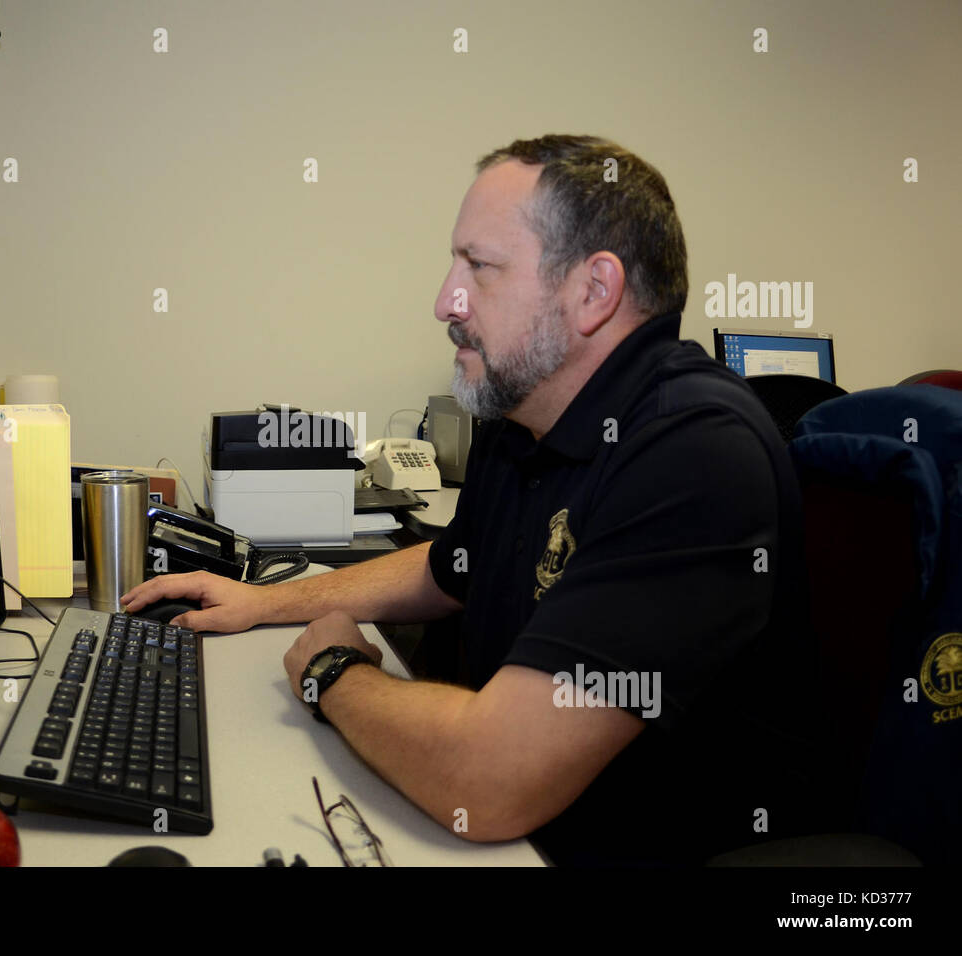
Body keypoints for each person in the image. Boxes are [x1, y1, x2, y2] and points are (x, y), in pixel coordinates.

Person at [123, 135, 820, 865]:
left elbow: (489, 777)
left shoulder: (695, 452)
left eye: (479, 268)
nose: (444, 302)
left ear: (593, 291)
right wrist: (263, 602)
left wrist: (334, 673)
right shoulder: (523, 415)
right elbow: (452, 568)